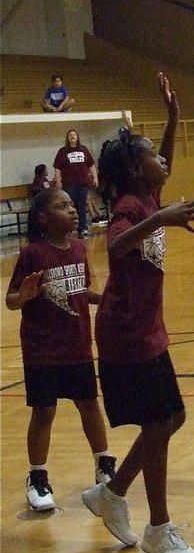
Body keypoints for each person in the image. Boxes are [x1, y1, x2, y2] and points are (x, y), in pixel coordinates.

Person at [81, 73, 194, 553]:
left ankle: (113, 493)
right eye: (155, 156)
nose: (165, 162)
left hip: (145, 329)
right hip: (125, 332)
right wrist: (160, 219)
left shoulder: (147, 195)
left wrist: (174, 116)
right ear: (138, 170)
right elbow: (115, 246)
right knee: (162, 421)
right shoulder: (130, 206)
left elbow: (164, 164)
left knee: (170, 418)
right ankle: (157, 529)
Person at [5, 188, 117, 513]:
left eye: (71, 204)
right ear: (43, 217)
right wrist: (23, 295)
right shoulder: (33, 255)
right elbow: (12, 300)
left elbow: (84, 292)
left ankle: (103, 466)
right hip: (42, 351)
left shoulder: (80, 248)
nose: (71, 210)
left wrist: (108, 297)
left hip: (77, 345)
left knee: (89, 405)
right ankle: (37, 478)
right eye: (62, 205)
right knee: (44, 413)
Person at [53, 129, 97, 238]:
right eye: (70, 135)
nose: (72, 136)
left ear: (77, 137)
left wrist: (95, 178)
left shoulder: (84, 149)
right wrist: (58, 181)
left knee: (81, 206)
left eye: (74, 134)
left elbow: (91, 165)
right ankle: (68, 229)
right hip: (69, 184)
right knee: (69, 207)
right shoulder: (63, 151)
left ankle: (83, 229)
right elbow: (57, 168)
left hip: (82, 183)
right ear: (67, 138)